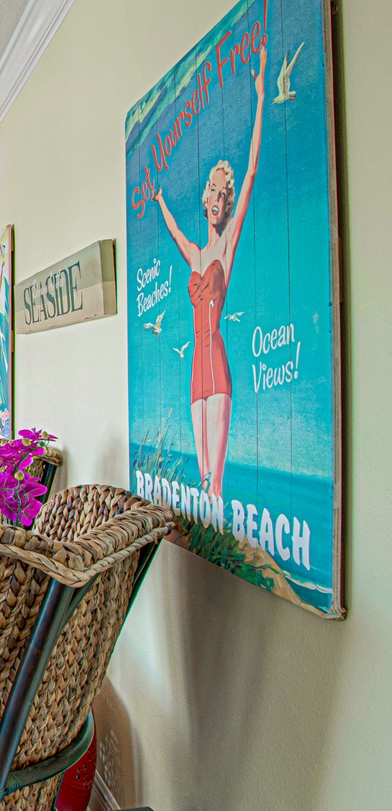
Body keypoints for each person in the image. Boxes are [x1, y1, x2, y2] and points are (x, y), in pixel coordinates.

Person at [153, 42, 265, 497]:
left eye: (223, 193)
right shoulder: (197, 254)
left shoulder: (226, 246)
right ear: (205, 198)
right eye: (212, 191)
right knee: (200, 486)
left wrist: (259, 98)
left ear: (227, 202)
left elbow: (253, 171)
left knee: (215, 485)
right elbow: (178, 235)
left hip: (216, 363)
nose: (217, 199)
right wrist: (160, 201)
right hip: (195, 369)